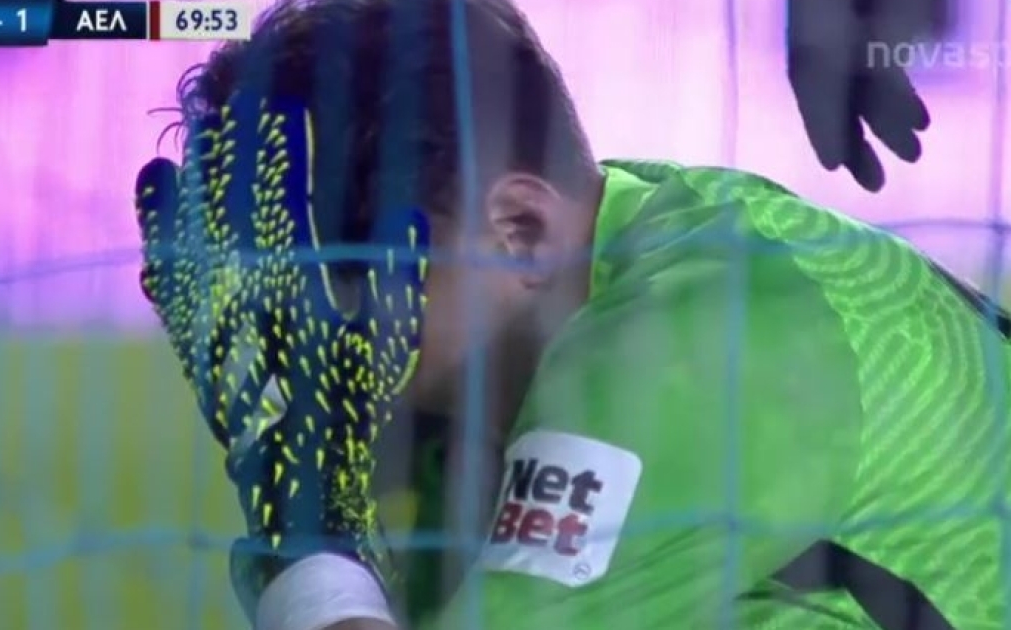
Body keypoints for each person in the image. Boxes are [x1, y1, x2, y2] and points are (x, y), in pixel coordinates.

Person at [134, 0, 1007, 628]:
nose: (302, 341)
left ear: (518, 231)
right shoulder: (620, 253)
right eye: (276, 297)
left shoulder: (679, 355)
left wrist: (307, 537)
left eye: (345, 284)